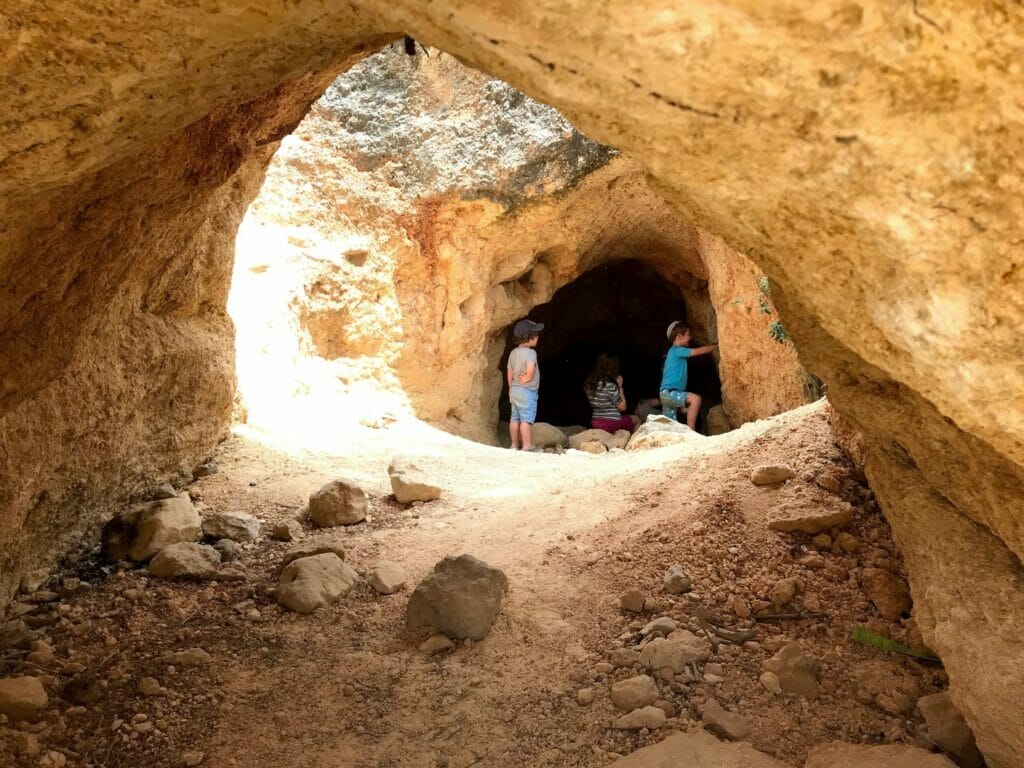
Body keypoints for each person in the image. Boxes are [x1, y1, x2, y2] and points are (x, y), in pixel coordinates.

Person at [660, 320, 718, 430]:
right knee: (696, 399)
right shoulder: (677, 350)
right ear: (679, 336)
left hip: (666, 393)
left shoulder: (672, 352)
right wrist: (716, 347)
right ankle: (691, 431)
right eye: (688, 334)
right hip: (670, 392)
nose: (691, 337)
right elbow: (698, 351)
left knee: (669, 426)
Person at [507, 318, 544, 451]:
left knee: (514, 419)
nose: (538, 337)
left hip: (514, 390)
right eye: (536, 335)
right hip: (527, 391)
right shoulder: (531, 353)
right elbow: (530, 369)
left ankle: (514, 445)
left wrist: (511, 387)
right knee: (526, 420)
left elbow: (509, 372)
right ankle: (527, 446)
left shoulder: (513, 353)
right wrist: (528, 377)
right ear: (529, 337)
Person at [584, 353, 640, 434]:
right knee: (637, 419)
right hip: (611, 424)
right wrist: (620, 386)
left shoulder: (589, 385)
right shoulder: (610, 386)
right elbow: (623, 407)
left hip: (596, 423)